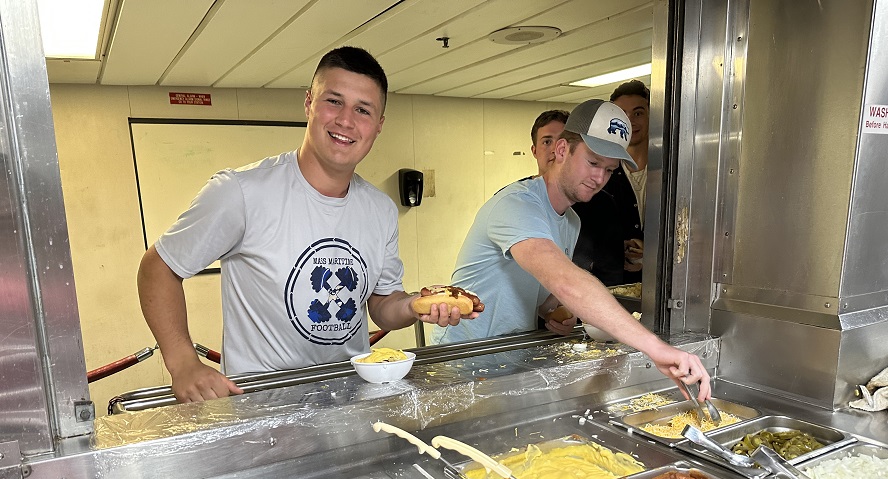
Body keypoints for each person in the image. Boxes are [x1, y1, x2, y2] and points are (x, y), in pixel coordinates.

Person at [138, 47, 473, 403]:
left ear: (378, 126)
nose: (346, 120)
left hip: (350, 404)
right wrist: (183, 362)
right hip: (262, 409)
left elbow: (382, 305)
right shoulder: (241, 192)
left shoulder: (381, 210)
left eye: (363, 110)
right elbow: (158, 267)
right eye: (334, 101)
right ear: (309, 103)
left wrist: (415, 306)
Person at [433, 98, 711, 398]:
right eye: (593, 163)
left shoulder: (571, 222)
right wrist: (656, 348)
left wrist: (556, 311)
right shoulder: (516, 205)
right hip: (463, 358)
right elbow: (564, 280)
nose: (599, 178)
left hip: (511, 356)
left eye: (609, 170)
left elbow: (543, 295)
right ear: (562, 150)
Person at [571, 80, 650, 286]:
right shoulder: (596, 176)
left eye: (638, 113)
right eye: (623, 116)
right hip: (613, 286)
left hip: (659, 286)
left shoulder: (673, 174)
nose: (630, 121)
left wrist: (651, 253)